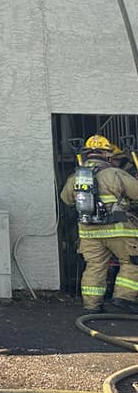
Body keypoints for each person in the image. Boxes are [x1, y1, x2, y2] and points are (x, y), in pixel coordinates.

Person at [60, 134, 138, 313]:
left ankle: (92, 306)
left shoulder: (76, 176)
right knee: (132, 262)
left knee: (95, 266)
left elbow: (66, 199)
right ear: (108, 154)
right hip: (118, 230)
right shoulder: (115, 173)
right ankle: (124, 298)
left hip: (89, 232)